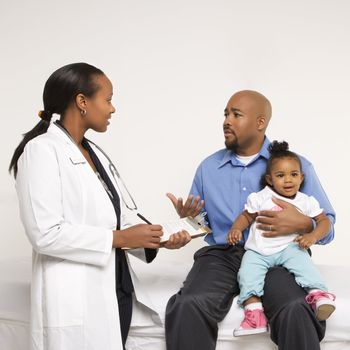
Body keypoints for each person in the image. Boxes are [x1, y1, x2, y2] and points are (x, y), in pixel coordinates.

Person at [9, 62, 190, 350]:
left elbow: (119, 219)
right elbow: (44, 232)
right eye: (108, 99)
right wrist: (118, 239)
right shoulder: (42, 150)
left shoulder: (95, 153)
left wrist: (159, 238)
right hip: (74, 298)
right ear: (82, 101)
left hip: (115, 288)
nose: (112, 108)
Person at [165, 90, 335, 350]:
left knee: (295, 308)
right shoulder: (208, 168)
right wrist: (189, 221)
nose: (226, 121)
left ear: (260, 122)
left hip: (279, 253)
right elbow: (201, 226)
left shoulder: (294, 167)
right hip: (223, 255)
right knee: (189, 304)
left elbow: (327, 225)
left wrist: (303, 224)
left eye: (236, 114)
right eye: (225, 114)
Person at [227, 140, 336, 337]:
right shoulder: (261, 197)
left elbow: (325, 222)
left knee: (304, 264)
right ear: (269, 179)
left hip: (289, 247)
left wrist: (312, 235)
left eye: (293, 175)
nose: (288, 180)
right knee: (247, 275)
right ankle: (254, 314)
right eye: (280, 175)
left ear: (302, 177)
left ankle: (318, 294)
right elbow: (246, 216)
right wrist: (236, 228)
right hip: (259, 250)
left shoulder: (306, 201)